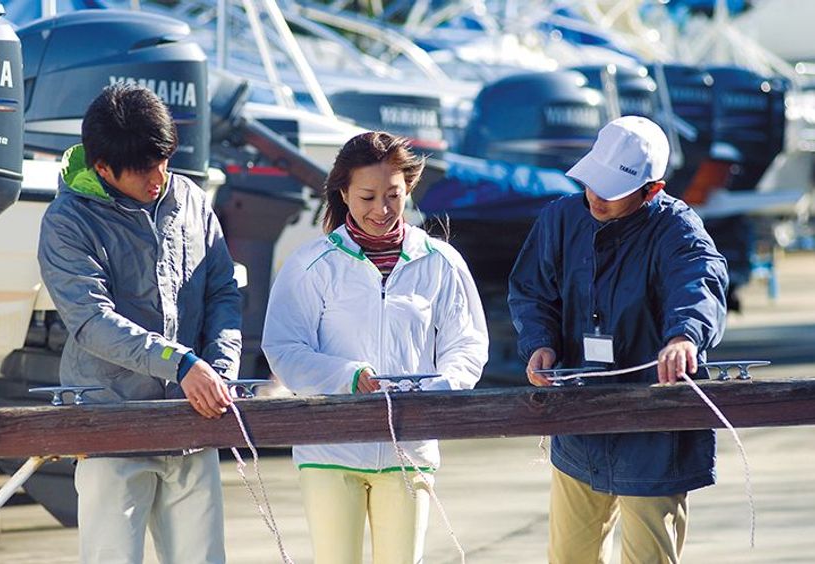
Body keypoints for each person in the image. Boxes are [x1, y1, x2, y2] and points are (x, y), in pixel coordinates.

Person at [508, 116, 729, 564]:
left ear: (653, 190)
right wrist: (539, 342)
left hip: (654, 426)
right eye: (592, 182)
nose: (595, 197)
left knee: (649, 558)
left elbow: (699, 284)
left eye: (610, 191)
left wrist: (685, 337)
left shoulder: (678, 230)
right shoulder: (561, 218)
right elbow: (531, 290)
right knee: (569, 556)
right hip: (579, 420)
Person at [262, 131, 489, 564]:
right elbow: (285, 348)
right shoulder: (311, 264)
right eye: (367, 197)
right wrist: (347, 376)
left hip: (410, 447)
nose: (381, 210)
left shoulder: (440, 261)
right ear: (343, 193)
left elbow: (468, 344)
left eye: (393, 195)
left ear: (409, 190)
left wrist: (439, 388)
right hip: (330, 449)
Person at [38, 83, 241, 564]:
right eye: (144, 169)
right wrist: (183, 363)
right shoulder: (66, 221)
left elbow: (223, 293)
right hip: (109, 425)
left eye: (164, 161)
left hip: (194, 423)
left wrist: (220, 369)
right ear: (102, 168)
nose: (159, 178)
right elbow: (91, 320)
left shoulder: (191, 199)